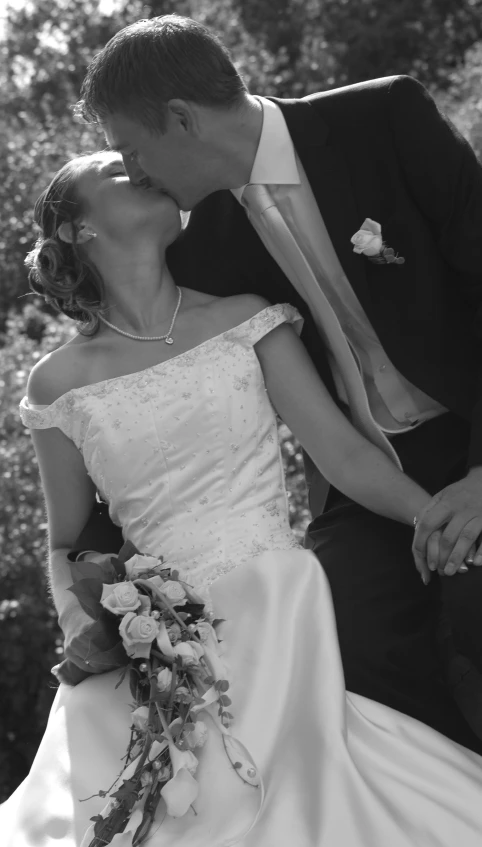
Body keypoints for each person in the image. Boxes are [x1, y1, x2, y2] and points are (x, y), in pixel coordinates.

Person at [2, 150, 482, 846]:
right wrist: (77, 613)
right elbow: (65, 539)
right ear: (78, 230)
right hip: (157, 641)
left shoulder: (246, 319)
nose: (141, 168)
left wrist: (438, 518)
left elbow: (344, 456)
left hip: (278, 604)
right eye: (114, 171)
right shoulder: (57, 384)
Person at [72, 14, 482, 745]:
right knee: (340, 630)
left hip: (473, 426)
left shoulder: (384, 118)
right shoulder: (206, 251)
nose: (134, 173)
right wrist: (104, 596)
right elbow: (139, 393)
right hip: (361, 476)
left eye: (132, 151)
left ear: (180, 118)